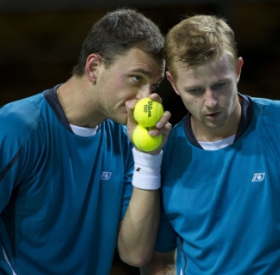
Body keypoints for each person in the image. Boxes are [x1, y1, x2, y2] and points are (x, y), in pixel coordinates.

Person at [140, 15, 280, 275]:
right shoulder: (166, 151)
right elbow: (158, 258)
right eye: (195, 90)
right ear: (173, 83)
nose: (211, 101)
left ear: (237, 69)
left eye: (220, 85)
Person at [0, 8, 172, 275]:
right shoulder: (17, 126)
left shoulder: (128, 140)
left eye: (153, 85)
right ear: (94, 67)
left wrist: (147, 158)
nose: (145, 97)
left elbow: (135, 254)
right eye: (137, 78)